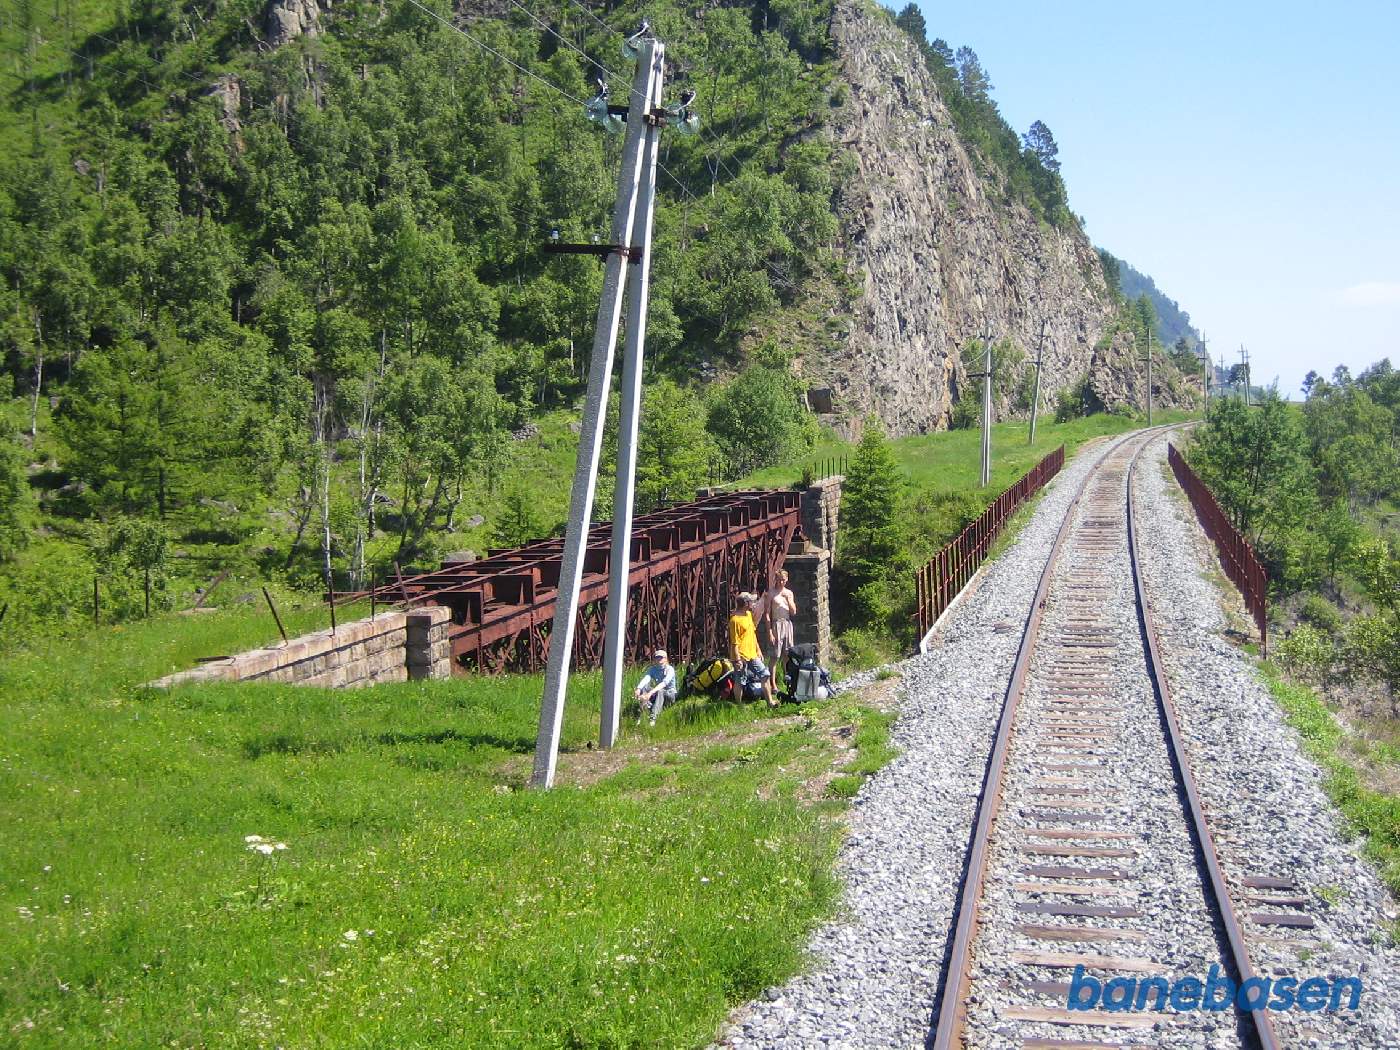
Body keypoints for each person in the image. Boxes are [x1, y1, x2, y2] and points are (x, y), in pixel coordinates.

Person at [729, 591, 776, 708]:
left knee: (765, 674)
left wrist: (758, 650)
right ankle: (739, 705)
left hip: (752, 654)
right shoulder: (734, 620)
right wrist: (737, 660)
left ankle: (770, 702)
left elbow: (752, 634)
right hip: (741, 656)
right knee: (740, 681)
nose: (753, 603)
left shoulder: (749, 615)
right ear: (746, 603)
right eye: (751, 601)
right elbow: (734, 642)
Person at [760, 570, 798, 693]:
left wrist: (788, 600)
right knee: (774, 656)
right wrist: (769, 631)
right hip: (776, 624)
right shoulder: (771, 593)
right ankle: (773, 684)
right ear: (776, 579)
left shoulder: (789, 593)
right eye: (779, 579)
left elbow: (793, 612)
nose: (781, 582)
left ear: (787, 579)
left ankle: (788, 679)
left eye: (783, 579)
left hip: (787, 623)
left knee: (787, 654)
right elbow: (766, 614)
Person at [633, 649, 677, 726]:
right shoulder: (653, 669)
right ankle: (643, 710)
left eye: (661, 657)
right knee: (645, 687)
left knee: (660, 691)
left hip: (670, 695)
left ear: (666, 659)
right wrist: (638, 688)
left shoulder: (670, 669)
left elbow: (664, 683)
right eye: (657, 657)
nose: (659, 659)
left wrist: (650, 693)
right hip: (658, 693)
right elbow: (646, 678)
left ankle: (653, 717)